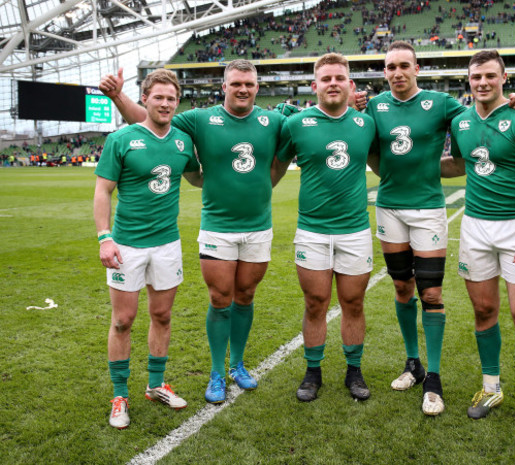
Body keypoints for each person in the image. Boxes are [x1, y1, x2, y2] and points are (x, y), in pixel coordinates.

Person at [99, 60, 286, 405]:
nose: (242, 89)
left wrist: (352, 102)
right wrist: (117, 96)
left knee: (245, 296)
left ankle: (238, 365)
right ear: (224, 87)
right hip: (216, 226)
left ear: (257, 87)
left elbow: (310, 129)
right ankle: (217, 372)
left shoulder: (273, 120)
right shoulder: (198, 119)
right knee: (219, 299)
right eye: (235, 84)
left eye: (249, 83)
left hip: (259, 227)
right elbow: (150, 120)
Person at [365, 40, 515, 416]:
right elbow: (369, 148)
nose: (397, 73)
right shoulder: (374, 106)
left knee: (432, 294)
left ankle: (434, 378)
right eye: (390, 67)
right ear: (385, 72)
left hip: (427, 210)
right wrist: (386, 172)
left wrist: (513, 101)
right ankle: (413, 363)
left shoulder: (442, 104)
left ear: (417, 68)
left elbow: (483, 113)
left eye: (404, 66)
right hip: (389, 208)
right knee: (402, 287)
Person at [444, 49, 515, 434]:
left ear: (504, 78)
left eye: (490, 76)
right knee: (484, 311)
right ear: (469, 81)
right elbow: (458, 165)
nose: (482, 83)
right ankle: (491, 387)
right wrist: (406, 162)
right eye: (476, 77)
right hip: (474, 229)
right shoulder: (459, 122)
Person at [93, 69, 203, 429]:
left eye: (172, 98)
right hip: (127, 245)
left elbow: (199, 177)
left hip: (167, 244)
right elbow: (103, 191)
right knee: (123, 321)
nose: (166, 103)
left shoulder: (183, 141)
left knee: (163, 316)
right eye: (159, 97)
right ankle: (119, 395)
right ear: (145, 99)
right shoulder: (121, 139)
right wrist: (104, 237)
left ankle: (156, 385)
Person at [275, 53, 376, 402]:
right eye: (326, 78)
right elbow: (272, 170)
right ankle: (313, 372)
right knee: (316, 302)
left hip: (355, 230)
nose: (332, 83)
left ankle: (354, 371)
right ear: (314, 85)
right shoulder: (296, 124)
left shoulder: (368, 123)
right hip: (312, 231)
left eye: (339, 78)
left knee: (354, 302)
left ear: (350, 85)